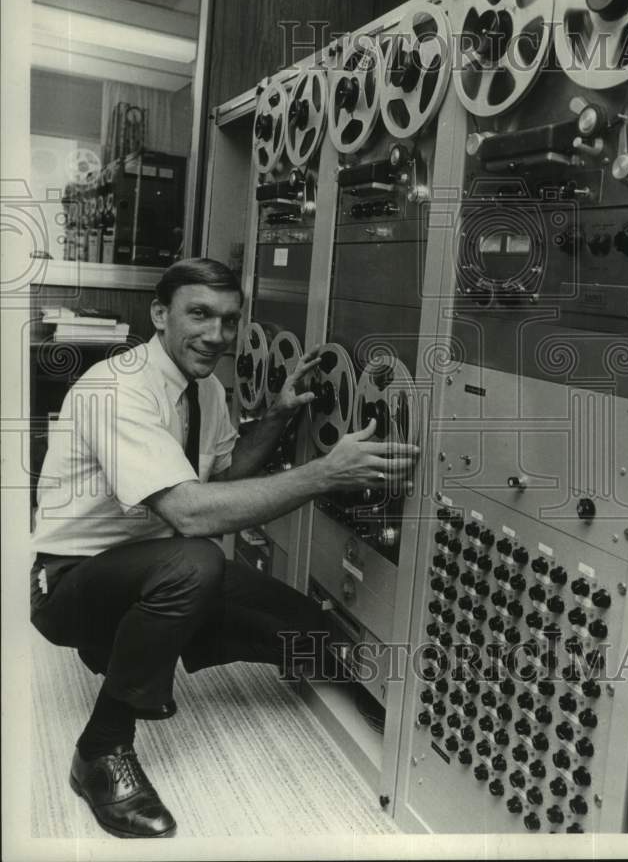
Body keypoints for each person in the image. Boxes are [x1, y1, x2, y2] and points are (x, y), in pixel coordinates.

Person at [30, 257, 418, 839]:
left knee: (313, 635)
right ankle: (101, 750)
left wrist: (279, 415)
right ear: (160, 315)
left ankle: (155, 639)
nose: (217, 335)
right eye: (200, 315)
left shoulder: (203, 387)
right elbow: (189, 511)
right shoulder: (119, 387)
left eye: (230, 320)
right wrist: (323, 474)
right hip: (71, 582)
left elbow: (225, 474)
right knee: (199, 560)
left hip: (151, 566)